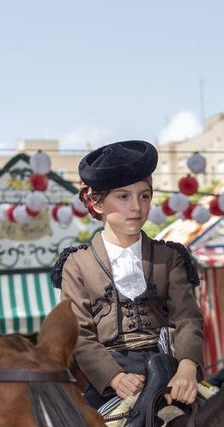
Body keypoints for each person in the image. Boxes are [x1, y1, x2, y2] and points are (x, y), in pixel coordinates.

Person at [52, 140, 204, 408]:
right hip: (110, 383)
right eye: (123, 197)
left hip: (170, 373)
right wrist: (114, 377)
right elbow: (79, 335)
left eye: (144, 196)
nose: (137, 206)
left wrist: (187, 368)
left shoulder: (169, 257)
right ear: (97, 204)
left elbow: (187, 318)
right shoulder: (77, 264)